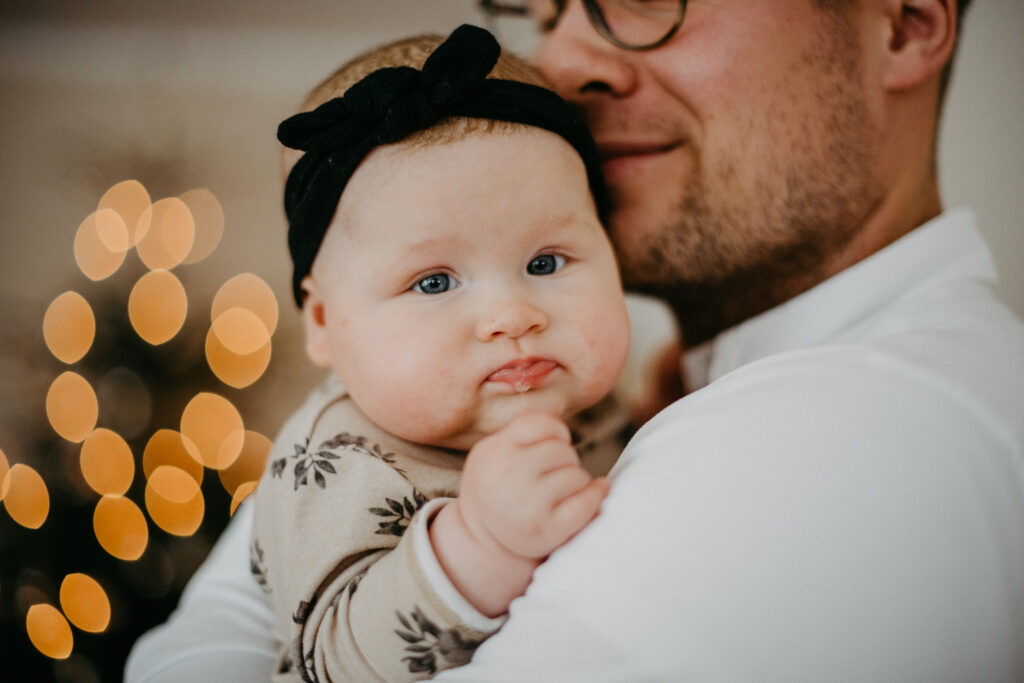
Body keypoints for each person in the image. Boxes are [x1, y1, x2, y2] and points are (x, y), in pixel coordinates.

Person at [127, 0, 1024, 681]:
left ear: (903, 24)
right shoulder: (653, 394)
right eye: (543, 10)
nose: (561, 61)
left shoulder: (845, 436)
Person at [247, 25, 633, 683]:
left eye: (545, 261)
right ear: (322, 322)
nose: (513, 315)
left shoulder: (594, 404)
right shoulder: (338, 463)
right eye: (434, 282)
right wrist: (478, 546)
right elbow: (329, 662)